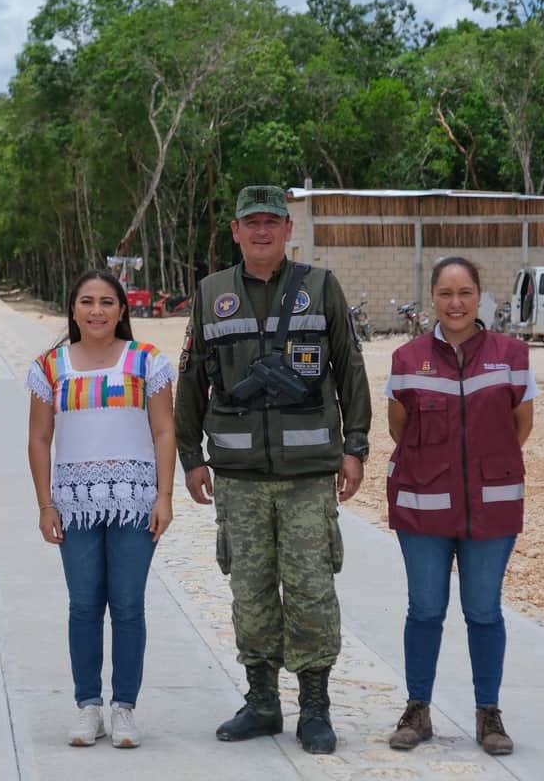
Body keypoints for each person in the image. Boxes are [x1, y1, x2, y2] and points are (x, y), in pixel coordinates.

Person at [174, 185, 371, 754]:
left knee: (311, 593)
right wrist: (192, 458)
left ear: (289, 231)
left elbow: (349, 368)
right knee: (250, 592)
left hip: (309, 475)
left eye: (272, 222)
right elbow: (190, 380)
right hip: (237, 476)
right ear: (234, 232)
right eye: (250, 223)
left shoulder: (320, 287)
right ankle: (262, 703)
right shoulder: (211, 294)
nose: (261, 231)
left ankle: (315, 708)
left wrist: (354, 446)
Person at [383, 257, 535, 756]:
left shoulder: (512, 354)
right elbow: (398, 428)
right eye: (446, 294)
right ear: (433, 298)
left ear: (480, 296)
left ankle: (488, 714)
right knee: (425, 610)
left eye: (465, 292)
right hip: (423, 506)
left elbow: (520, 427)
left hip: (491, 507)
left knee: (484, 611)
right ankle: (418, 710)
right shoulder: (407, 359)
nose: (456, 303)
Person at [26, 270, 177, 749]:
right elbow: (39, 437)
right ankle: (88, 705)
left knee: (129, 606)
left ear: (121, 310)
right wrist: (45, 504)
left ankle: (124, 708)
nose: (97, 311)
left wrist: (165, 495)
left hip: (134, 500)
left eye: (107, 302)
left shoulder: (145, 361)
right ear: (72, 309)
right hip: (75, 504)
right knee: (84, 605)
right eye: (87, 301)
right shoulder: (51, 366)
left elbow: (163, 432)